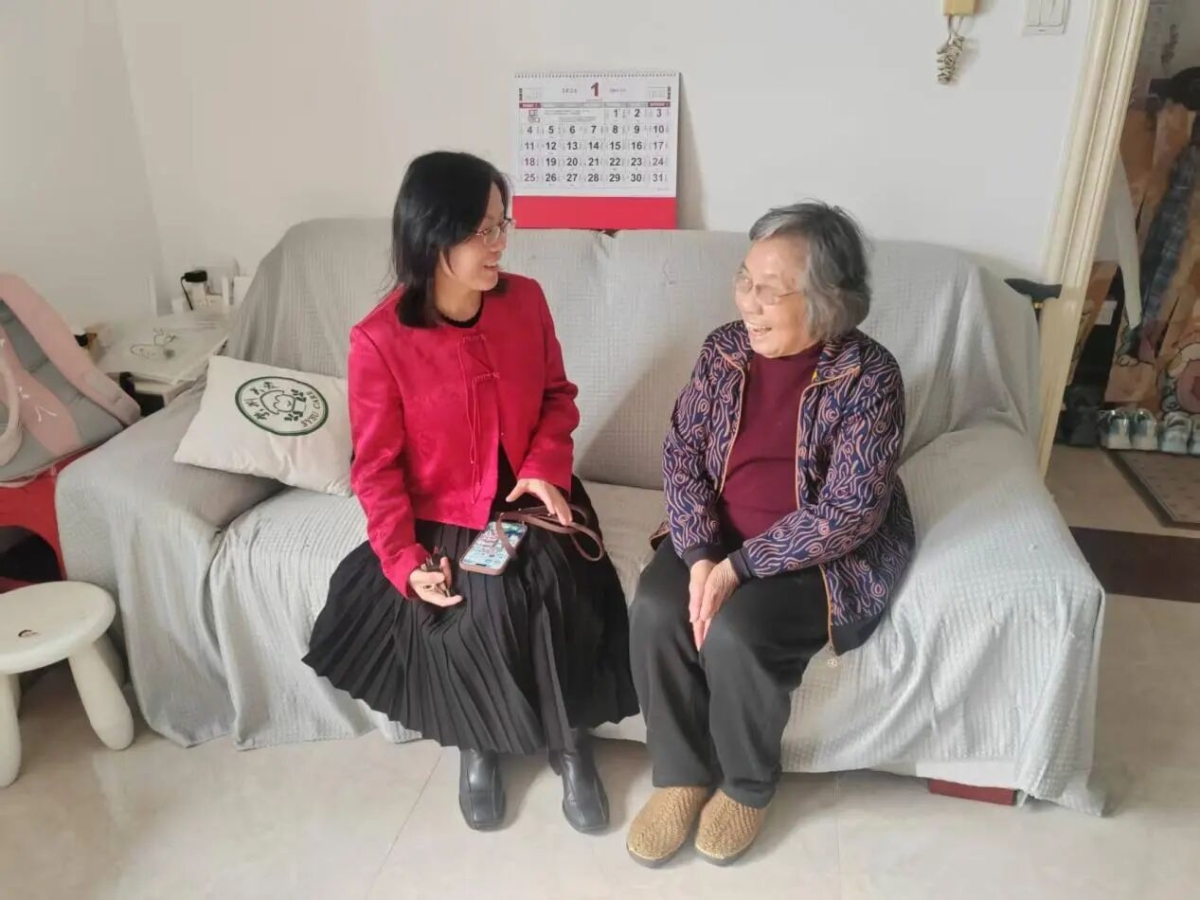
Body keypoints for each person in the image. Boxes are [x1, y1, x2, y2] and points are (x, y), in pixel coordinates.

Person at [304, 151, 639, 834]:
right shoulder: (380, 340)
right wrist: (403, 560)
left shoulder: (526, 302)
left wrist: (544, 466)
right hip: (445, 511)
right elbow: (376, 467)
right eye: (482, 230)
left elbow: (557, 397)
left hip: (531, 494)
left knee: (555, 585)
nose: (499, 244)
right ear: (433, 234)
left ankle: (570, 746)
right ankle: (477, 746)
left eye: (501, 225)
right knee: (467, 602)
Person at [625, 202, 915, 867]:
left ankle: (747, 787)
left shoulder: (870, 376)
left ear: (827, 301)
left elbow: (850, 510)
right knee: (656, 609)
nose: (748, 303)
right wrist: (702, 555)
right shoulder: (724, 350)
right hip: (718, 532)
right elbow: (682, 453)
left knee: (737, 633)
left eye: (770, 291)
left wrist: (739, 568)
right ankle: (680, 776)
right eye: (745, 280)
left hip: (819, 553)